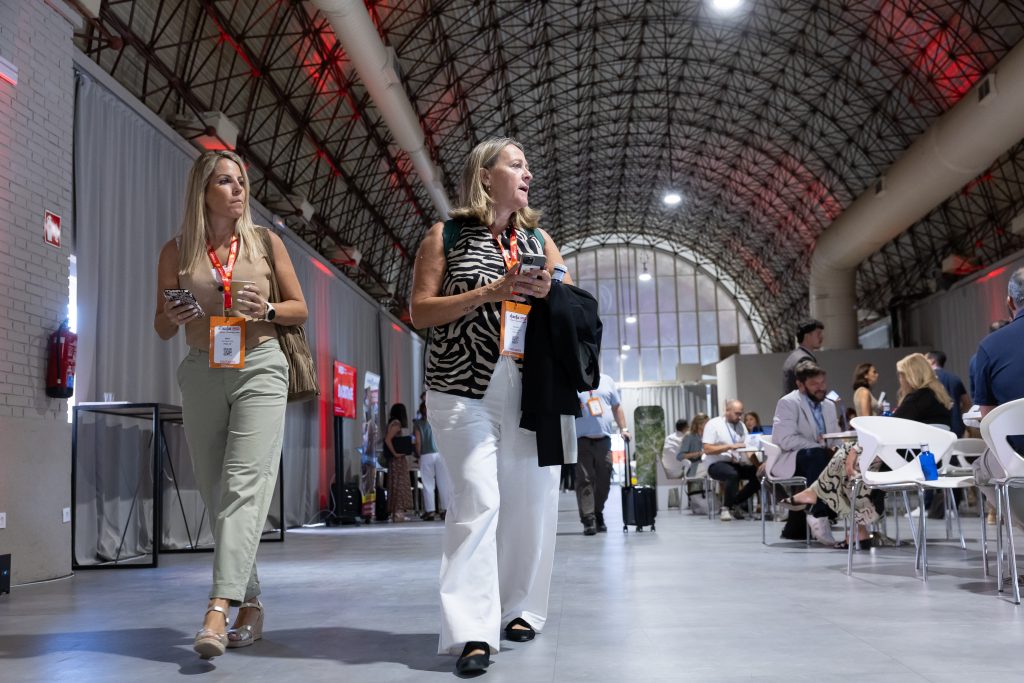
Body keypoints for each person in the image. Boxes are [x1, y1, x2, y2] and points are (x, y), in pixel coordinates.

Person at [409, 136, 571, 674]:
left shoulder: (538, 239)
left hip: (529, 385)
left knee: (530, 500)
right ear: (485, 175)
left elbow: (572, 298)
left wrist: (551, 290)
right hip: (460, 386)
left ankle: (519, 608)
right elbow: (421, 311)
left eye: (528, 166)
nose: (528, 174)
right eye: (516, 165)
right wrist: (488, 293)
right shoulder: (446, 236)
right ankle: (472, 632)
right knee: (477, 497)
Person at [155, 150, 307, 659]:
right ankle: (252, 604)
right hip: (202, 370)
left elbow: (299, 308)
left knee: (244, 485)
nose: (239, 189)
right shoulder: (177, 251)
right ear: (203, 192)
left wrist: (267, 308)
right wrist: (174, 316)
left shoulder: (265, 242)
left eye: (241, 180)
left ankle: (218, 608)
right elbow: (159, 325)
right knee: (217, 493)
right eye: (226, 181)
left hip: (260, 366)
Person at [771, 361, 841, 545]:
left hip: (821, 458)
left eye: (822, 382)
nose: (821, 388)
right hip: (794, 458)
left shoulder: (829, 405)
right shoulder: (787, 403)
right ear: (800, 385)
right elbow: (785, 439)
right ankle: (819, 514)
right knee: (816, 456)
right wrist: (819, 447)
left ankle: (860, 525)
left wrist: (838, 449)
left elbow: (835, 436)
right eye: (814, 384)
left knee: (849, 457)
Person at [574, 373, 629, 535]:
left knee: (604, 480)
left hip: (604, 440)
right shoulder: (575, 379)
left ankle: (597, 511)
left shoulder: (607, 380)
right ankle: (588, 518)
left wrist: (624, 428)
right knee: (584, 480)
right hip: (581, 439)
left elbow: (616, 406)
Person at [702, 400, 758, 521]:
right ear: (727, 411)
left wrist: (759, 465)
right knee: (732, 474)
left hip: (735, 463)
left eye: (741, 414)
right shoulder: (713, 424)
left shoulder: (741, 425)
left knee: (759, 475)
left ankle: (735, 502)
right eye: (737, 413)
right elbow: (707, 449)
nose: (740, 417)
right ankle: (726, 508)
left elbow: (748, 449)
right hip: (716, 464)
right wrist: (729, 446)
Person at [414, 395, 450, 521]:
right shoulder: (439, 421)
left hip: (426, 455)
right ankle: (446, 510)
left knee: (428, 484)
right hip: (440, 454)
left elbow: (418, 442)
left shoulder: (418, 424)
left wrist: (417, 454)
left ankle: (430, 511)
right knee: (443, 483)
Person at [894, 353, 952, 425]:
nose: (900, 380)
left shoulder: (916, 399)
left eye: (901, 375)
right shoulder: (938, 395)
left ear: (910, 377)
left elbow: (893, 424)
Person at [383, 403, 414, 522]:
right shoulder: (396, 424)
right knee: (399, 485)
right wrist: (395, 453)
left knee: (395, 484)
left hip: (395, 460)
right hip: (398, 460)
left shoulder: (392, 423)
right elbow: (388, 439)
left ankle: (396, 512)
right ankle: (398, 513)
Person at [781, 318, 824, 394]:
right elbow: (811, 391)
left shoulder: (794, 356)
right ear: (807, 336)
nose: (821, 337)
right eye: (818, 334)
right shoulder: (804, 359)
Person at [679, 414, 709, 514]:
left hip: (706, 464)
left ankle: (724, 502)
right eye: (706, 423)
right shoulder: (689, 437)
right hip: (695, 467)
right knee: (716, 473)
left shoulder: (708, 436)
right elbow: (680, 456)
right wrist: (698, 453)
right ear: (699, 424)